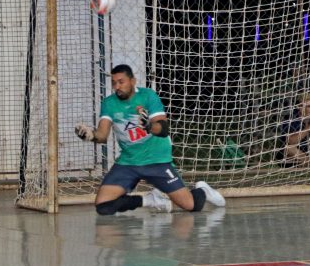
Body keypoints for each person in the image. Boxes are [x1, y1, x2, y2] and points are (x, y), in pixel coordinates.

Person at [74, 64, 225, 216]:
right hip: (129, 162)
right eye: (114, 83)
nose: (117, 86)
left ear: (133, 81)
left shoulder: (148, 96)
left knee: (192, 206)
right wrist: (91, 135)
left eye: (121, 82)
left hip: (157, 160)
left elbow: (163, 129)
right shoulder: (109, 103)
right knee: (103, 207)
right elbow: (102, 135)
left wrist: (148, 125)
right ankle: (151, 200)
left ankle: (203, 190)